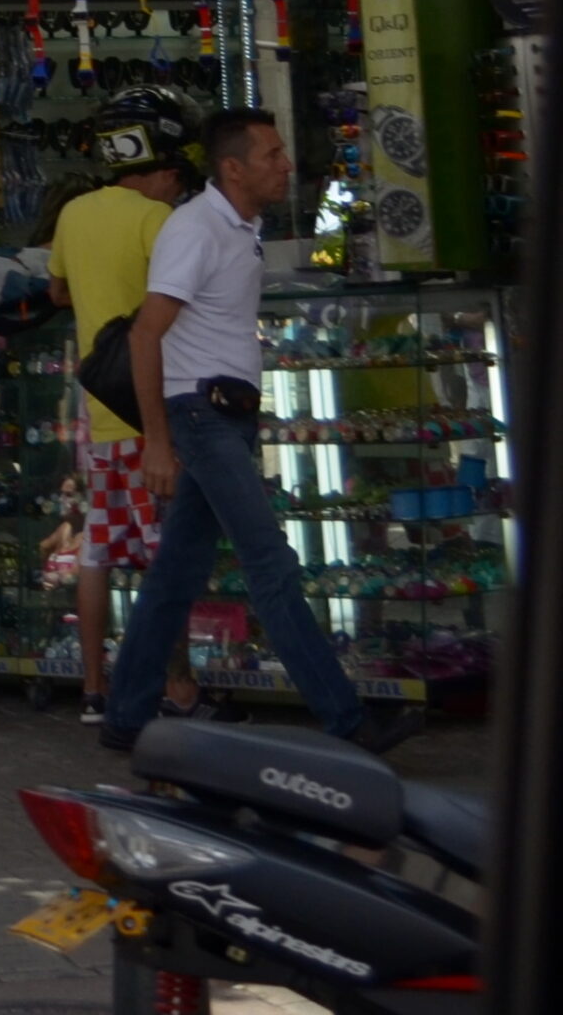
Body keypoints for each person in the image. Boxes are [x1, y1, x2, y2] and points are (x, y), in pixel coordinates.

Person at [102, 111, 421, 755]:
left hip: (225, 415)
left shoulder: (239, 226)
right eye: (273, 154)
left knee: (175, 575)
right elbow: (144, 334)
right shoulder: (195, 230)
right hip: (199, 416)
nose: (286, 165)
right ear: (233, 168)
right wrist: (158, 442)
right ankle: (345, 721)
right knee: (270, 562)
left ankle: (126, 716)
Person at [47, 89, 203, 725]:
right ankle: (179, 688)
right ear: (162, 167)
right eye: (176, 176)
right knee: (168, 557)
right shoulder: (157, 221)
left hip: (97, 413)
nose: (175, 188)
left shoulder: (75, 214)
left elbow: (56, 289)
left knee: (97, 551)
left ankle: (93, 689)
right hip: (153, 410)